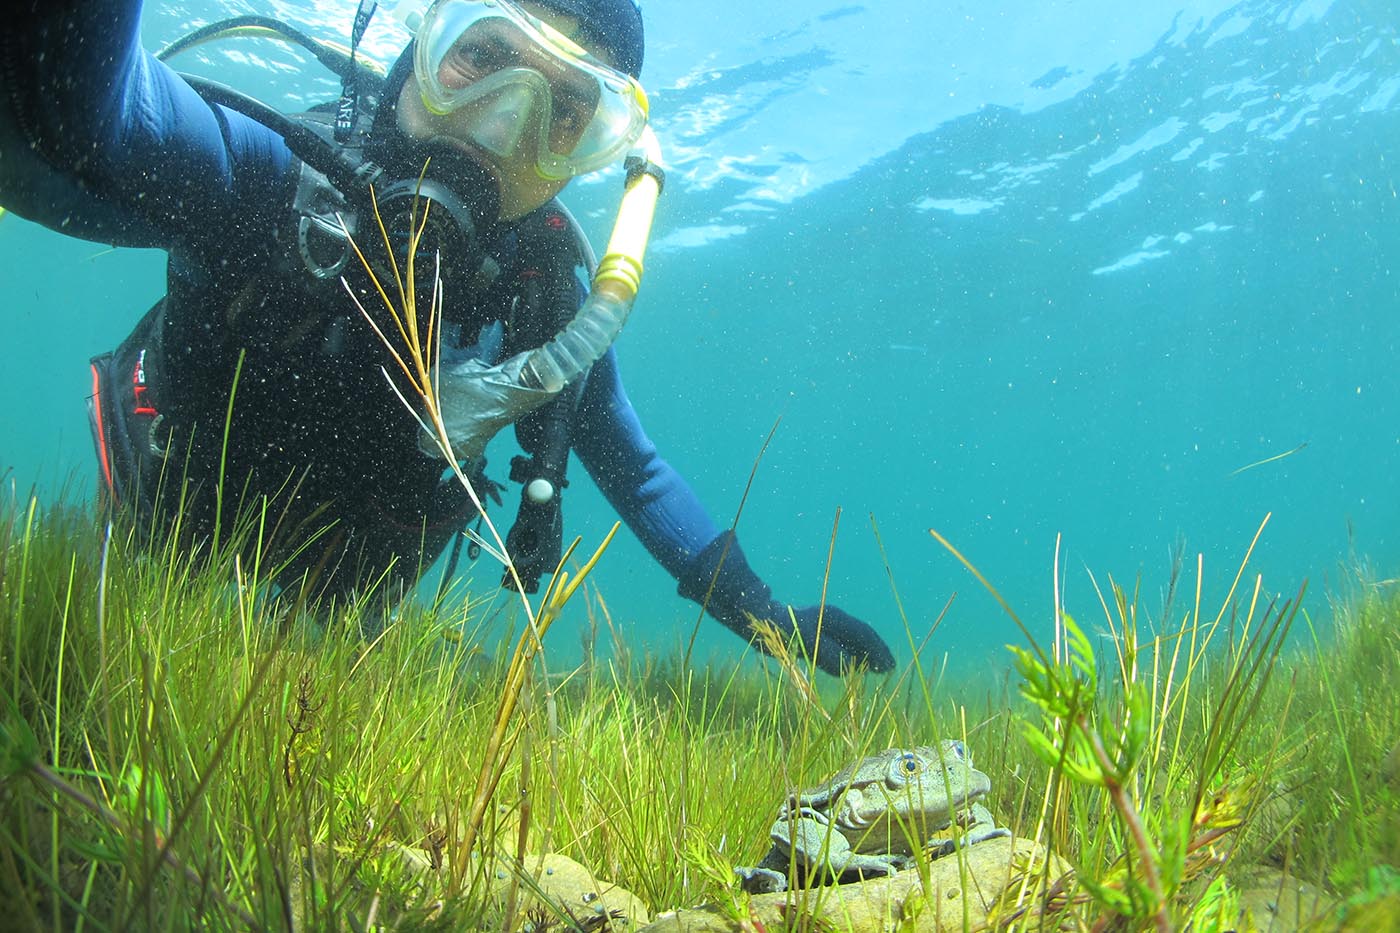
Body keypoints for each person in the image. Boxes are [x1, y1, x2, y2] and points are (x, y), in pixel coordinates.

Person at [0, 0, 895, 675]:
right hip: (177, 497)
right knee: (145, 591)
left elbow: (638, 469)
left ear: (590, 149)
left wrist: (768, 615)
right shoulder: (269, 178)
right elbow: (73, 116)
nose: (504, 127)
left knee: (324, 653)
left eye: (566, 110)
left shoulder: (545, 309)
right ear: (420, 49)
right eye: (483, 58)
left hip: (343, 567)